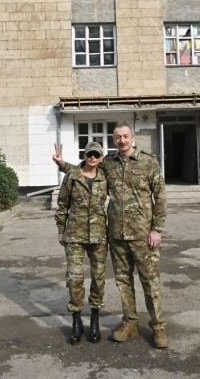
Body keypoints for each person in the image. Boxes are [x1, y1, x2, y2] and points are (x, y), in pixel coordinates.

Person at [54, 123, 168, 348]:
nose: (122, 140)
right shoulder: (109, 164)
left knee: (150, 281)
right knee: (123, 281)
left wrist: (157, 229)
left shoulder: (149, 162)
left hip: (143, 234)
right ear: (114, 141)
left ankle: (158, 327)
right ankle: (130, 323)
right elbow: (87, 168)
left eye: (126, 136)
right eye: (118, 137)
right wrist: (61, 164)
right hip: (116, 235)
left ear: (132, 138)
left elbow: (160, 196)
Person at [54, 141, 108, 344]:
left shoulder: (106, 176)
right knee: (75, 278)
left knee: (99, 278)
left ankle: (94, 319)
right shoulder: (73, 176)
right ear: (85, 156)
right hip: (75, 235)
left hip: (99, 236)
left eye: (96, 154)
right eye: (90, 154)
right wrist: (61, 230)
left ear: (101, 157)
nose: (93, 157)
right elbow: (62, 204)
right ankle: (76, 320)